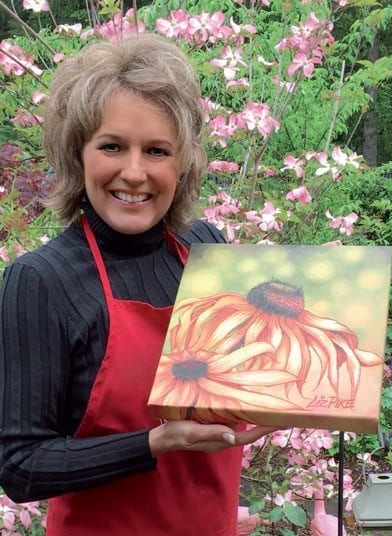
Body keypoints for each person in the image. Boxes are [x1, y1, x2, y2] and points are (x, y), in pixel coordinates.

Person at [0, 34, 275, 535]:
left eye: (156, 150)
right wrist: (155, 443)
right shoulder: (42, 280)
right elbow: (21, 466)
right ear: (78, 154)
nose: (134, 172)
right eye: (112, 146)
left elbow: (238, 377)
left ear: (182, 163)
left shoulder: (206, 247)